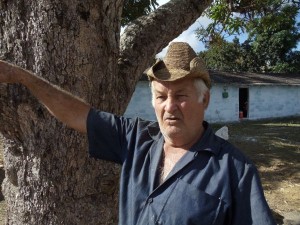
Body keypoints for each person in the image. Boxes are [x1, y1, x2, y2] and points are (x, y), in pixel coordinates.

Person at [0, 42, 276, 225]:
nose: (169, 107)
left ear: (204, 100)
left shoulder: (236, 171)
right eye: (160, 96)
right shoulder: (136, 138)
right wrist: (23, 77)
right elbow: (77, 114)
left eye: (181, 96)